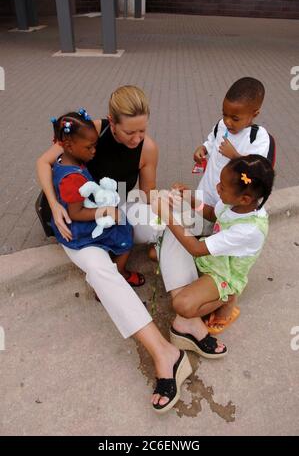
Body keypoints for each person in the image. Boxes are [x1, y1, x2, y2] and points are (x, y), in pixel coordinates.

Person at [37, 94, 193, 413]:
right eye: (129, 132)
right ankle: (165, 354)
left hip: (118, 209)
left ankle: (188, 315)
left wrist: (168, 205)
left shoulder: (148, 147)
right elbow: (43, 162)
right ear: (111, 121)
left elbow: (147, 194)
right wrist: (54, 206)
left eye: (143, 131)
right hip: (78, 222)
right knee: (100, 271)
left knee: (174, 221)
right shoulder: (86, 129)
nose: (137, 139)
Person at [153, 155, 274, 348]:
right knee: (165, 246)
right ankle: (210, 296)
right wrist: (191, 200)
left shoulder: (249, 229)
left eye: (222, 187)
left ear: (245, 198)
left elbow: (196, 248)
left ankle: (227, 298)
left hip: (223, 274)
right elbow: (212, 213)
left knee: (182, 306)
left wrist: (167, 216)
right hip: (212, 257)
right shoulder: (235, 204)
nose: (217, 187)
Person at [50, 109, 134, 280]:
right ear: (68, 145)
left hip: (77, 219)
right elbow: (75, 212)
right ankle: (120, 271)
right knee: (125, 230)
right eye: (89, 147)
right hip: (78, 229)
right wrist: (107, 211)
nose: (94, 151)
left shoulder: (64, 162)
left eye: (95, 145)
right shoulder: (72, 178)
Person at [193, 77, 274, 217]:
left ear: (254, 114)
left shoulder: (258, 137)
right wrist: (203, 149)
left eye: (235, 118)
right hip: (207, 189)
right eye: (224, 114)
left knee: (220, 228)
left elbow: (257, 172)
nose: (228, 121)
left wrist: (234, 156)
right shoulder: (221, 125)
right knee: (198, 222)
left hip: (229, 199)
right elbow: (212, 140)